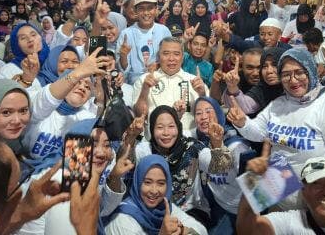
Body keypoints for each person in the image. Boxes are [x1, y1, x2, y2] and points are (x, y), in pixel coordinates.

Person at [227, 48, 325, 209]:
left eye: (299, 72)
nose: (293, 80)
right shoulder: (278, 104)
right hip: (277, 193)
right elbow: (259, 133)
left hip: (315, 203)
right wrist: (243, 122)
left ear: (310, 71)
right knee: (248, 215)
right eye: (286, 74)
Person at [17, 118, 132, 235]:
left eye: (107, 145)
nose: (101, 153)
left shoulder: (82, 174)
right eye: (93, 144)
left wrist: (114, 177)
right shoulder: (63, 181)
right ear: (74, 146)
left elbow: (102, 210)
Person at [135, 105, 232, 226]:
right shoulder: (145, 150)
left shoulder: (193, 148)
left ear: (178, 127)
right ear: (152, 130)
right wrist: (130, 139)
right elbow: (125, 166)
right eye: (160, 127)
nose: (166, 133)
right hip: (154, 211)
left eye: (171, 126)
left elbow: (222, 167)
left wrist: (217, 143)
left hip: (191, 211)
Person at [105, 154, 208, 235]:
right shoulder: (122, 221)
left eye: (161, 183)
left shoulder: (163, 207)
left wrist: (181, 230)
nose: (154, 191)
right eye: (147, 182)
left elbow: (202, 230)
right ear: (137, 182)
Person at [190, 96, 250, 231]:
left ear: (218, 114)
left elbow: (257, 190)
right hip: (216, 207)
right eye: (198, 113)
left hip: (241, 211)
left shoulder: (236, 146)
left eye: (208, 111)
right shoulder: (199, 141)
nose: (203, 117)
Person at [133, 37, 208, 136]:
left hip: (190, 141)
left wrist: (202, 94)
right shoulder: (144, 80)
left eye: (176, 54)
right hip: (154, 141)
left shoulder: (196, 82)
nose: (171, 59)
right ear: (159, 56)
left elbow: (208, 116)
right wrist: (145, 89)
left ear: (182, 57)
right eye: (166, 53)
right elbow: (139, 115)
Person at [116, 0, 172, 84]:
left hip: (160, 82)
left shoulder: (164, 31)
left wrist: (158, 65)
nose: (146, 13)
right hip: (134, 84)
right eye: (141, 9)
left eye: (150, 8)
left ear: (156, 9)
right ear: (136, 11)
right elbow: (124, 70)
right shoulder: (126, 34)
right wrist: (123, 56)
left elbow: (171, 58)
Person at [223, 47, 286, 117]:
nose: (269, 71)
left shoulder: (297, 83)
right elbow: (245, 106)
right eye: (265, 66)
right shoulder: (263, 87)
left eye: (274, 65)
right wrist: (232, 87)